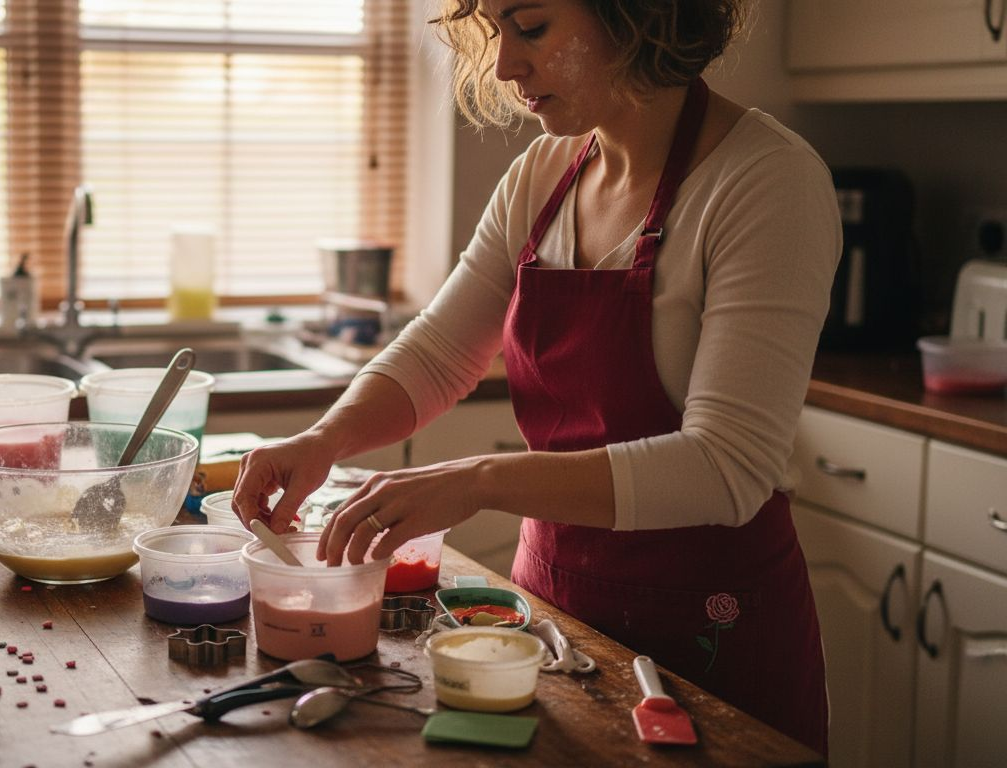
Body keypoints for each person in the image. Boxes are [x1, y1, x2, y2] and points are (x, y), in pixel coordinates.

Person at [233, 0, 838, 755]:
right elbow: (438, 352)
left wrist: (479, 480)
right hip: (552, 615)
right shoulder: (544, 175)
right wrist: (325, 438)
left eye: (534, 27)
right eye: (496, 32)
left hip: (712, 631)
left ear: (638, 15)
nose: (505, 66)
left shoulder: (765, 181)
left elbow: (726, 466)